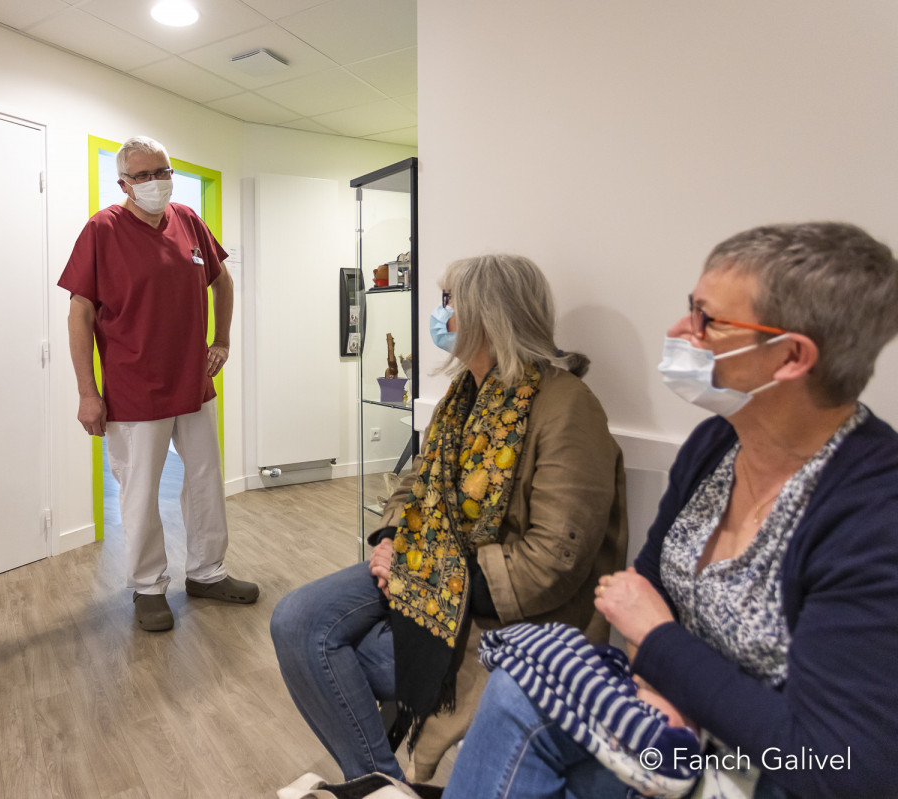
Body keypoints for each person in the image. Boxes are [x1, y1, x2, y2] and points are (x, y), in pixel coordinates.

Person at [443, 222, 898, 799]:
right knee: (516, 691)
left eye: (708, 320)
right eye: (691, 308)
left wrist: (661, 647)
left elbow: (836, 765)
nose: (681, 331)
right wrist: (658, 676)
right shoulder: (714, 447)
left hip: (768, 778)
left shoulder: (873, 518)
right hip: (675, 736)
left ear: (789, 356)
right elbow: (642, 587)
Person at [271, 254, 628, 783]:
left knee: (352, 658)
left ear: (489, 316)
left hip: (503, 601)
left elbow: (554, 559)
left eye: (448, 303)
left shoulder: (567, 406)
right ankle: (381, 783)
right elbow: (419, 480)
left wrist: (425, 570)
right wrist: (394, 536)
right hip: (428, 561)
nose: (440, 316)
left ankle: (382, 783)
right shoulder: (463, 395)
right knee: (296, 620)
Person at [59, 135, 256, 633]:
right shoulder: (102, 230)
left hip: (192, 382)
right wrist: (88, 391)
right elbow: (79, 312)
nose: (154, 182)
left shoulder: (188, 219)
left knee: (207, 482)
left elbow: (222, 280)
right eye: (143, 175)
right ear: (123, 182)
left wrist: (223, 339)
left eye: (162, 171)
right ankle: (148, 587)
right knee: (140, 493)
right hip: (133, 387)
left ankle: (208, 573)